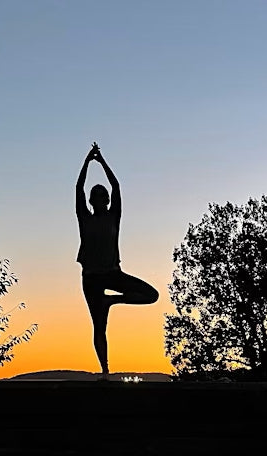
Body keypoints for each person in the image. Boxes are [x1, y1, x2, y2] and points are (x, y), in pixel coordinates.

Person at [76, 142, 159, 380]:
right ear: (92, 201)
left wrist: (101, 162)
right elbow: (78, 188)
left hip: (113, 273)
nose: (101, 198)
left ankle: (112, 301)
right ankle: (105, 371)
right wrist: (86, 163)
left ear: (108, 200)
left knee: (151, 295)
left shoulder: (114, 216)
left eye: (104, 196)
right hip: (91, 277)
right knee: (99, 326)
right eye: (96, 196)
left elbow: (117, 185)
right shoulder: (84, 217)